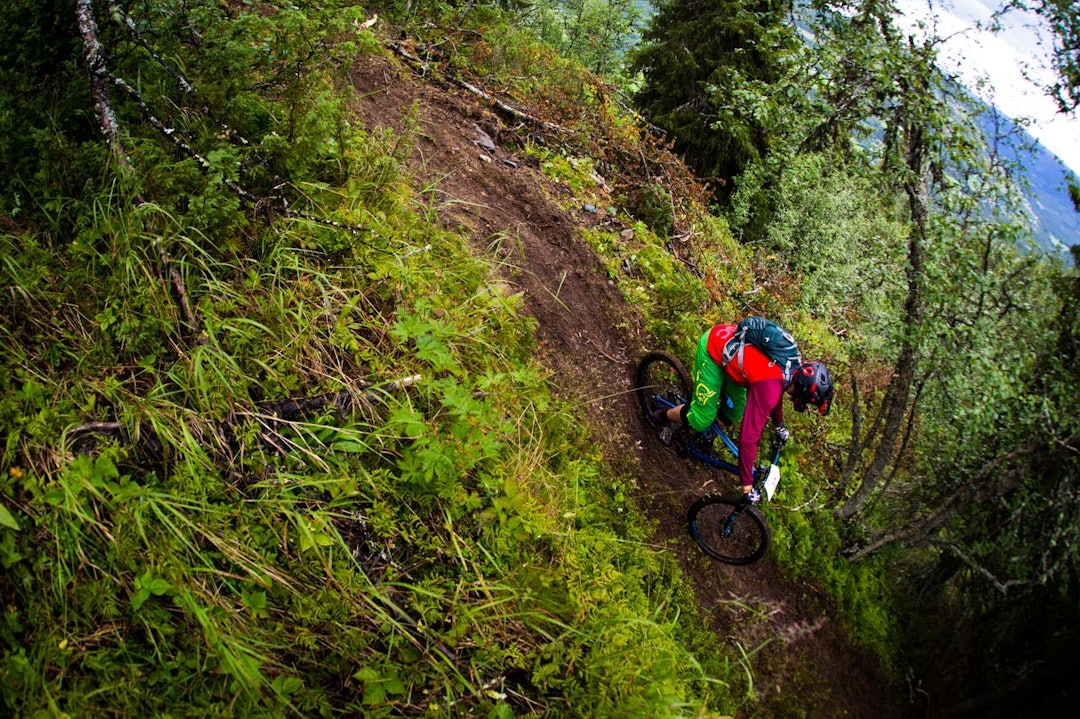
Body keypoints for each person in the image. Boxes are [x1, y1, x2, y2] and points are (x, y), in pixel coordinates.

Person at [652, 322, 833, 502]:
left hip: (734, 352)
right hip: (714, 350)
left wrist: (779, 426)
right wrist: (747, 486)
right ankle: (662, 415)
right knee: (702, 418)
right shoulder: (769, 386)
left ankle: (703, 438)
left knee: (734, 412)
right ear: (802, 392)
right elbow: (748, 438)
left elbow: (778, 390)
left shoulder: (792, 365)